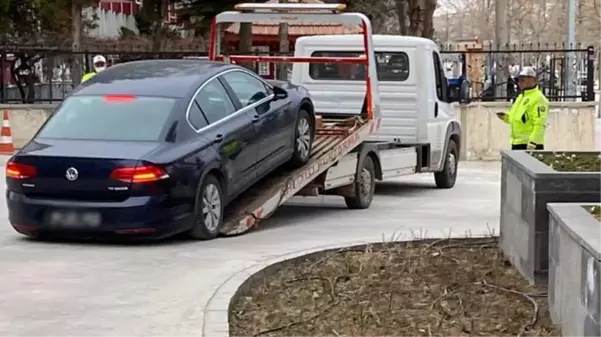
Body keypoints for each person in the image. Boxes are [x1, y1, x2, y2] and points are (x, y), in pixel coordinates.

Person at [496, 66, 549, 150]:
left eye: (522, 80)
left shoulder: (538, 98)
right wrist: (506, 117)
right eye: (518, 80)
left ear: (532, 80)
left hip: (529, 144)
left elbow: (540, 123)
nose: (519, 83)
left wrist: (533, 142)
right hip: (517, 143)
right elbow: (519, 118)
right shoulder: (521, 97)